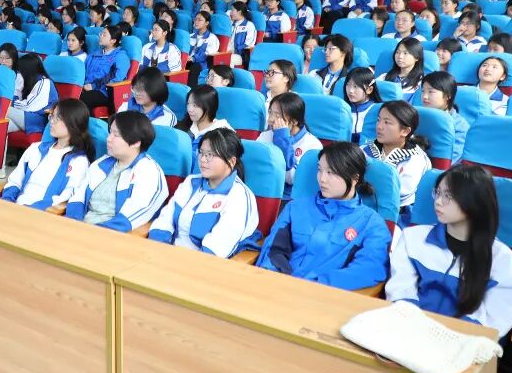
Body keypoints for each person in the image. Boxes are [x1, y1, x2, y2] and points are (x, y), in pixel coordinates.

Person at [385, 164, 512, 338]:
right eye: (438, 192)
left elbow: (497, 315)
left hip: (465, 341)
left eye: (448, 196)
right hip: (410, 332)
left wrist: (451, 336)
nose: (438, 201)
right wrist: (413, 327)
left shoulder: (501, 258)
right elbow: (400, 291)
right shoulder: (412, 239)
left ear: (474, 202)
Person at [256, 142, 391, 291]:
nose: (322, 179)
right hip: (277, 287)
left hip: (325, 295)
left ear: (354, 178)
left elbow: (368, 269)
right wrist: (278, 281)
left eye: (331, 172)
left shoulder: (372, 224)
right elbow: (273, 250)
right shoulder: (295, 208)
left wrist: (316, 285)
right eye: (320, 170)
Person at [148, 127, 259, 258]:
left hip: (201, 264)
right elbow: (165, 219)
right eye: (201, 152)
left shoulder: (239, 196)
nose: (203, 159)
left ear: (231, 161)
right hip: (167, 255)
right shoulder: (190, 182)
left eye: (210, 155)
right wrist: (157, 250)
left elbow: (217, 248)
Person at [65, 111, 168, 232]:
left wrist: (92, 233)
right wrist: (73, 224)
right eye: (110, 133)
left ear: (136, 143)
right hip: (81, 229)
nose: (108, 139)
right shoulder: (101, 163)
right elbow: (78, 195)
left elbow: (128, 219)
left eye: (116, 135)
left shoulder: (149, 172)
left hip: (111, 235)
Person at [1, 99, 95, 209]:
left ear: (73, 123)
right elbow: (14, 181)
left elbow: (66, 197)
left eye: (58, 118)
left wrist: (29, 209)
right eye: (52, 116)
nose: (52, 122)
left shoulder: (78, 161)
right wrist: (7, 202)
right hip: (15, 209)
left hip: (41, 213)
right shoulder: (36, 148)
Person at [362, 100, 431, 223]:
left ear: (405, 131)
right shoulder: (363, 150)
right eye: (378, 120)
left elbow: (395, 195)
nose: (379, 126)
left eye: (387, 122)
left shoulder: (416, 160)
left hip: (397, 217)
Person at [257, 92, 322, 199]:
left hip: (290, 198)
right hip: (263, 190)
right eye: (270, 112)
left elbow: (293, 179)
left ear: (295, 121)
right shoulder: (266, 135)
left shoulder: (312, 145)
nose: (271, 119)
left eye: (278, 115)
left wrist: (282, 140)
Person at [420, 71, 469, 164]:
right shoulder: (418, 116)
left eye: (431, 92)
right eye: (423, 91)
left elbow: (450, 160)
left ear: (447, 96)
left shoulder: (460, 125)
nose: (424, 96)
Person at [79, 25, 131, 111]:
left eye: (104, 35)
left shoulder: (120, 57)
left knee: (83, 100)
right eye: (101, 34)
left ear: (113, 40)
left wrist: (93, 86)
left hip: (105, 91)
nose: (100, 36)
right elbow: (83, 71)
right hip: (85, 86)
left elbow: (116, 78)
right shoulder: (94, 54)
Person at [8, 53, 58, 133]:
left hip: (38, 120)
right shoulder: (29, 80)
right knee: (1, 126)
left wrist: (13, 99)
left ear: (27, 70)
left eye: (20, 70)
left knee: (4, 109)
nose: (18, 73)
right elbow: (19, 101)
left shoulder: (44, 82)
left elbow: (27, 106)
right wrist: (18, 89)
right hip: (26, 117)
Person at [343, 67, 381, 145]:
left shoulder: (378, 111)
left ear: (369, 89)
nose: (350, 91)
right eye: (348, 85)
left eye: (355, 86)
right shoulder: (343, 110)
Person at [186, 11, 220, 87]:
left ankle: (192, 90)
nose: (196, 22)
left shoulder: (212, 38)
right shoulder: (190, 36)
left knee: (195, 66)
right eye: (195, 19)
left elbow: (207, 54)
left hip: (201, 64)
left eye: (200, 20)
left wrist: (193, 58)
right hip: (187, 61)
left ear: (206, 23)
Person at [228, 1, 257, 67]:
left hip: (240, 55)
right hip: (228, 52)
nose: (230, 13)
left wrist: (235, 50)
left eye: (232, 10)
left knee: (228, 59)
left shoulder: (249, 25)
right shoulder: (231, 25)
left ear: (239, 12)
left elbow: (249, 44)